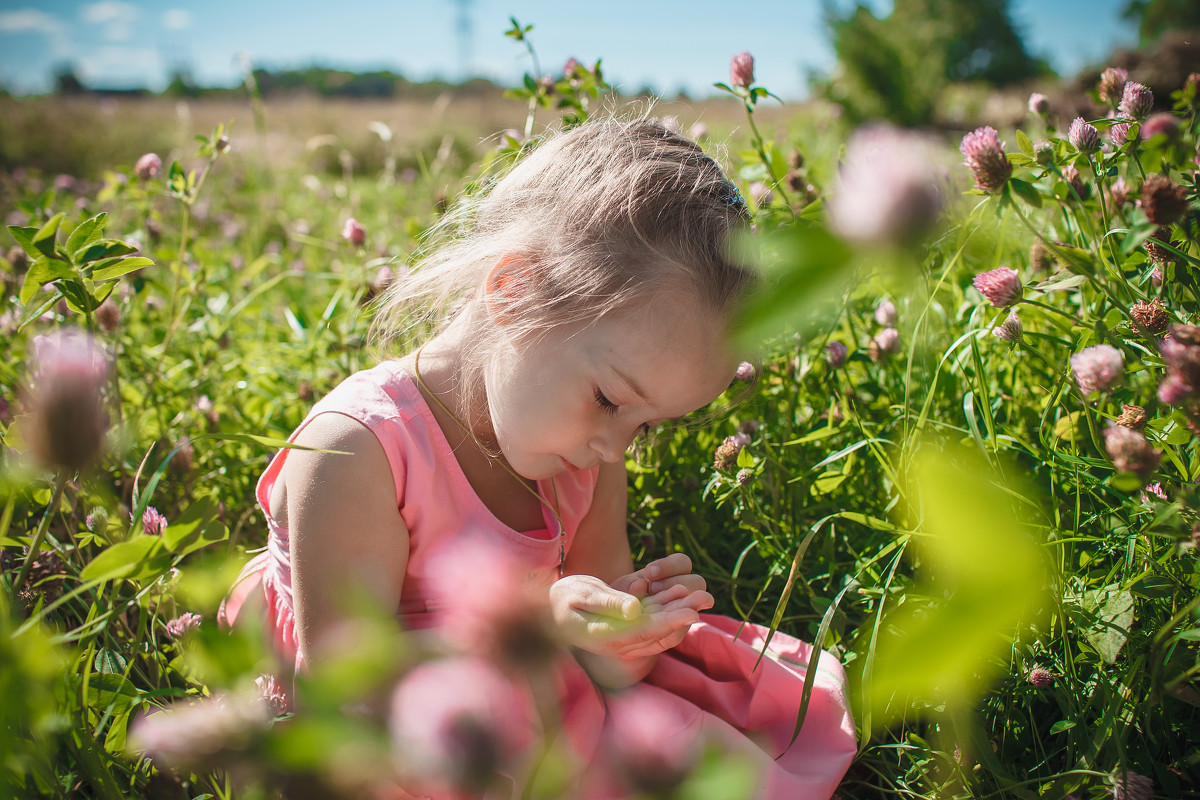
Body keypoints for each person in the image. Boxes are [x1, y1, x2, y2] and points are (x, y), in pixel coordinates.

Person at [221, 118, 856, 799]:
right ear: (515, 293)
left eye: (645, 428)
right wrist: (530, 629)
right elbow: (350, 697)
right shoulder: (358, 450)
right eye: (611, 402)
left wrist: (623, 638)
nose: (614, 449)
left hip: (528, 695)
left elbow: (597, 644)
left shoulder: (583, 450)